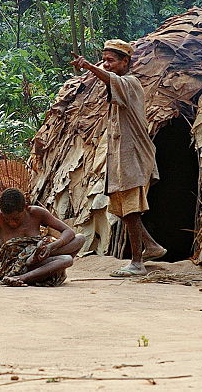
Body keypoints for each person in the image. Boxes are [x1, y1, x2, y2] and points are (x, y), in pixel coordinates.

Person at [71, 39, 165, 277]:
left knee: (131, 209)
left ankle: (137, 263)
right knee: (123, 208)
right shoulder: (117, 92)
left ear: (126, 62)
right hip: (122, 159)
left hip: (133, 157)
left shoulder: (130, 83)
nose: (106, 64)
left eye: (111, 60)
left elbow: (111, 79)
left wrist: (89, 67)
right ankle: (151, 246)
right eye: (104, 60)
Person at [0, 188, 85, 287]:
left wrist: (51, 247)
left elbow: (68, 231)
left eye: (16, 218)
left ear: (26, 207)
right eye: (7, 219)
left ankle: (45, 267)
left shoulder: (36, 213)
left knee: (80, 238)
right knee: (66, 259)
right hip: (16, 266)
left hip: (40, 259)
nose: (12, 223)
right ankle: (22, 277)